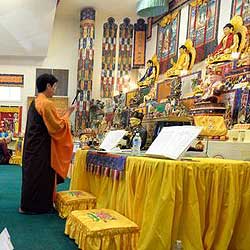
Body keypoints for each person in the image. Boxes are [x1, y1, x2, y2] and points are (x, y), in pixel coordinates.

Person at [20, 74, 75, 214]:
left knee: (32, 176)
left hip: (32, 147)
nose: (55, 90)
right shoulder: (46, 103)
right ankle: (39, 207)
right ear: (48, 86)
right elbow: (56, 127)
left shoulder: (36, 101)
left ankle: (27, 206)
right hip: (41, 149)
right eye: (54, 86)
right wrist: (68, 113)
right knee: (42, 176)